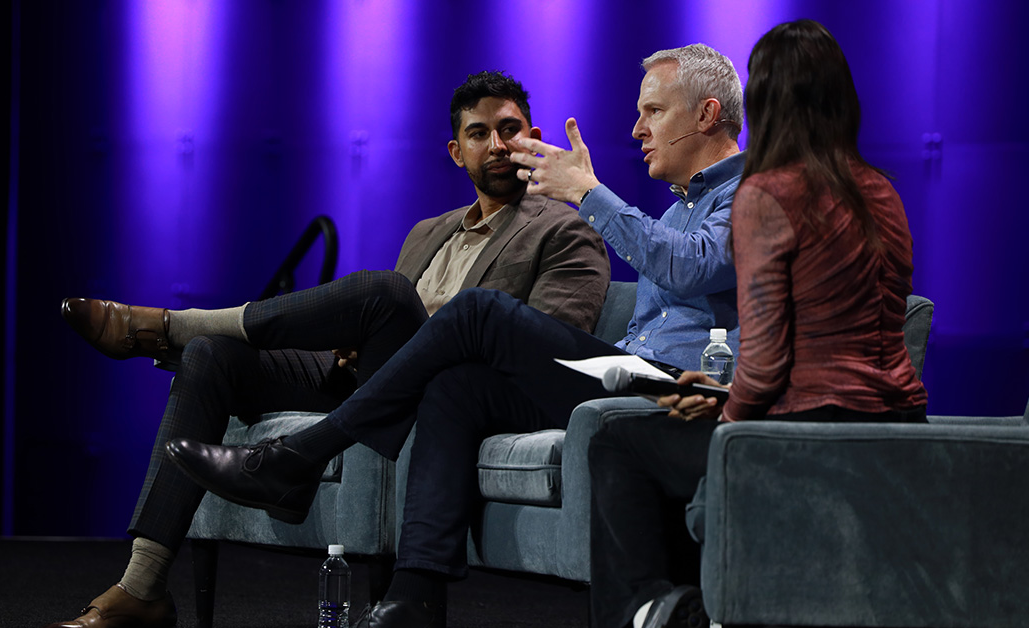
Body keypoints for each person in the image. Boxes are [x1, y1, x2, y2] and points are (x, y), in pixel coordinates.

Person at [166, 44, 746, 628]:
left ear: (705, 114)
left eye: (653, 111)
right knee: (455, 386)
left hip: (685, 386)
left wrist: (586, 192)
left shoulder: (751, 196)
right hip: (625, 375)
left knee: (476, 312)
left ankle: (298, 455)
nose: (637, 127)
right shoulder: (674, 213)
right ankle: (414, 594)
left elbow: (689, 266)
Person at [46, 71, 611, 628]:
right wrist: (358, 343)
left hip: (446, 390)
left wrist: (407, 333)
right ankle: (142, 585)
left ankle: (168, 325)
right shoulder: (427, 232)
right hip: (370, 377)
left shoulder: (563, 229)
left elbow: (540, 346)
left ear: (535, 136)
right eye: (479, 133)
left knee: (385, 293)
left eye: (510, 130)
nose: (497, 144)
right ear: (456, 151)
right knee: (212, 357)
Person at [586, 20, 930, 628]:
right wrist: (721, 392)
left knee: (619, 440)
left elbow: (769, 360)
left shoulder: (767, 195)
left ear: (766, 103)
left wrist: (729, 421)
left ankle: (651, 612)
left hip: (800, 434)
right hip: (898, 423)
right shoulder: (882, 192)